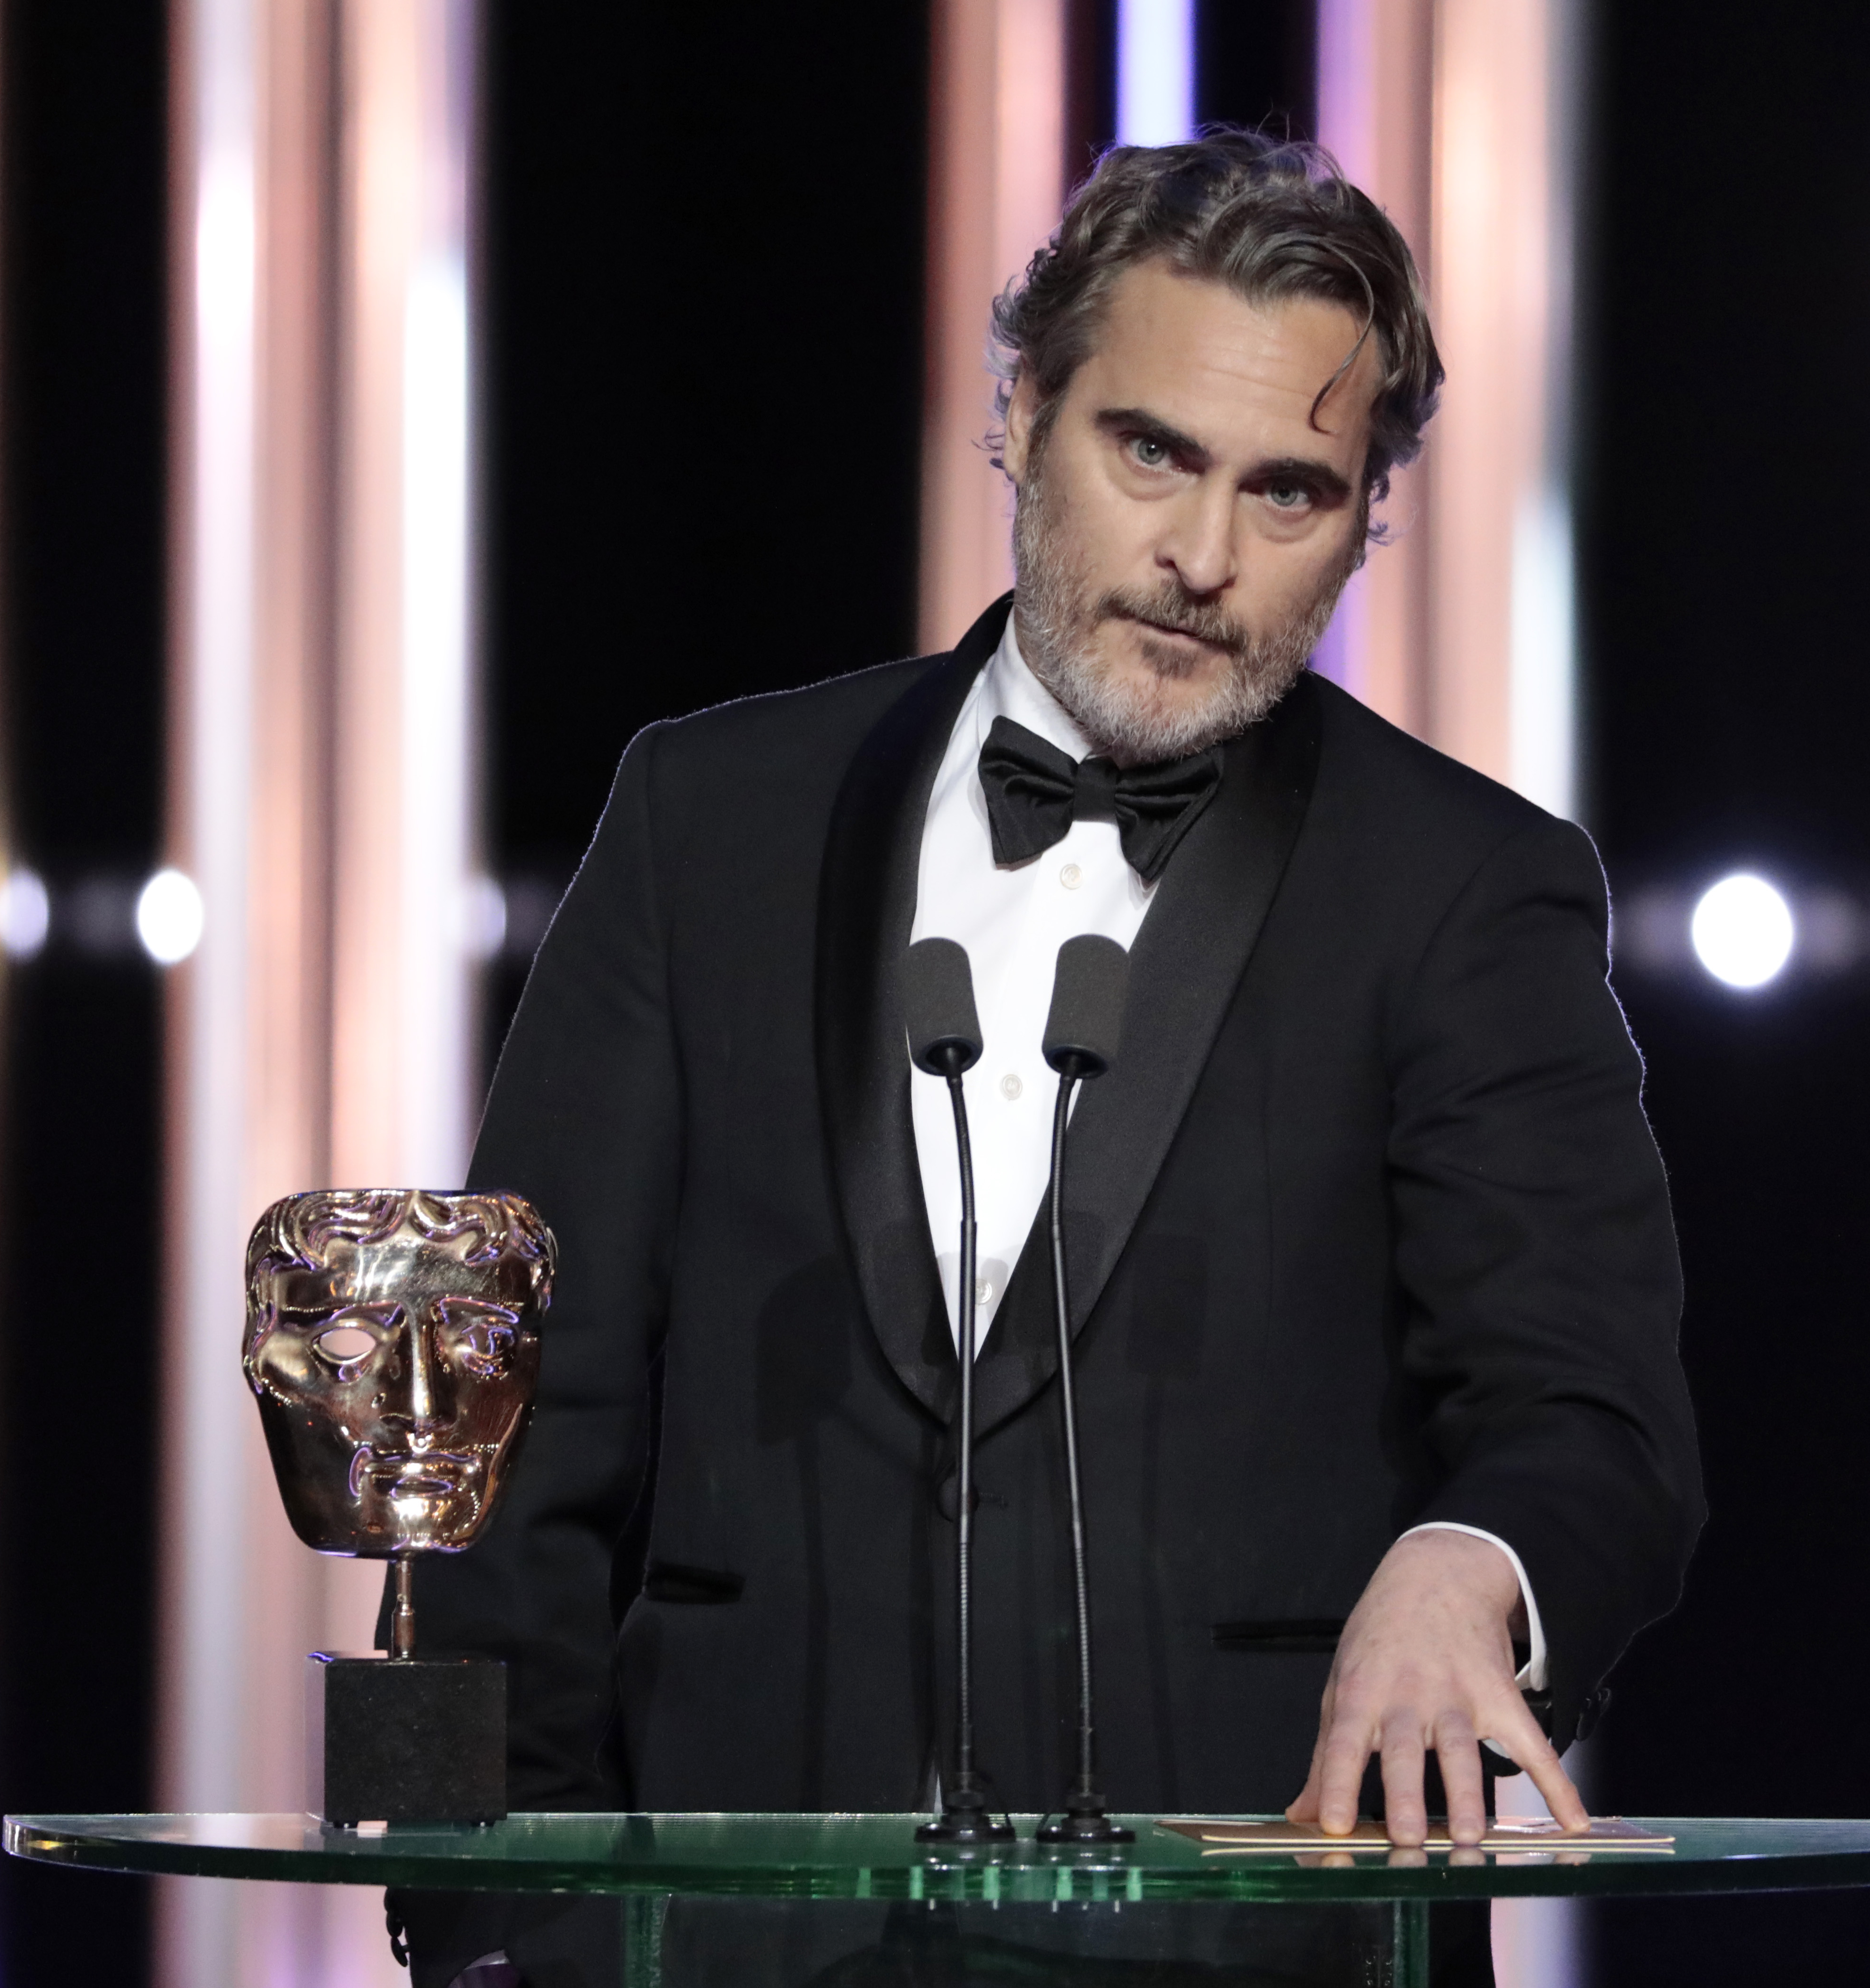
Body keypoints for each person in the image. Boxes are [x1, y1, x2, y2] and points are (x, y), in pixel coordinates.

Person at [394, 132, 1702, 1986]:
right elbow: (518, 1423)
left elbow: (1598, 1423)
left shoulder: (1467, 888)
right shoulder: (708, 818)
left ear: (1366, 517)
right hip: (733, 1946)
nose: (1202, 557)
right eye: (1150, 448)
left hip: (1249, 1939)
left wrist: (1472, 1559)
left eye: (1291, 491)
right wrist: (492, 1931)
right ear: (1021, 410)